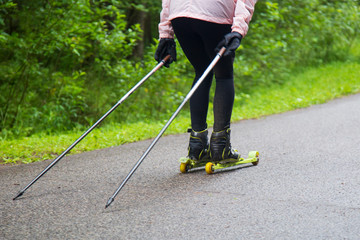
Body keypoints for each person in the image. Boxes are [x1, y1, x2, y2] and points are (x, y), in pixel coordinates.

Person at [155, 0, 257, 163]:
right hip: (214, 13)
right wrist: (238, 29)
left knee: (201, 71)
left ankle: (197, 145)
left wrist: (166, 34)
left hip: (179, 15)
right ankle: (220, 147)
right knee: (223, 75)